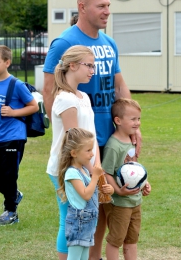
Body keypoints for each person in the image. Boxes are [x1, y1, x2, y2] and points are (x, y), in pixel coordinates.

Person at [43, 1, 142, 259]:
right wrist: (84, 165)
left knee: (93, 212)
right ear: (82, 6)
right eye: (101, 5)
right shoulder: (64, 45)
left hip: (99, 150)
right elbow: (70, 135)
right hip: (77, 160)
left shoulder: (83, 93)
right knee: (72, 218)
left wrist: (132, 128)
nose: (107, 10)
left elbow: (120, 88)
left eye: (109, 4)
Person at [45, 45, 113, 260]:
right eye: (89, 65)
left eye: (94, 66)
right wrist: (92, 171)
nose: (93, 70)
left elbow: (90, 137)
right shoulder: (66, 99)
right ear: (72, 66)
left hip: (87, 167)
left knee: (83, 217)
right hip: (68, 169)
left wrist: (98, 170)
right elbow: (75, 144)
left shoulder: (83, 96)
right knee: (70, 218)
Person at [0, 45, 39, 225]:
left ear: (7, 62)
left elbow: (33, 106)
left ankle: (10, 212)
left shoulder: (17, 84)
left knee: (9, 174)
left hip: (13, 136)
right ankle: (14, 194)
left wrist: (13, 113)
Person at [101, 98, 151, 260]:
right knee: (115, 241)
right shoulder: (113, 146)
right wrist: (118, 191)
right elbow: (106, 173)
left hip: (135, 202)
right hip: (119, 204)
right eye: (133, 119)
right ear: (118, 120)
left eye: (139, 119)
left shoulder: (131, 140)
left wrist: (144, 182)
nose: (137, 123)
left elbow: (133, 168)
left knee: (132, 241)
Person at [57, 128, 104, 260]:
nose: (92, 154)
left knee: (84, 257)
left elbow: (91, 191)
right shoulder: (72, 173)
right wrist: (95, 177)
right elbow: (85, 195)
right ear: (74, 153)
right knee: (74, 257)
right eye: (88, 150)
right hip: (78, 223)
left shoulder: (83, 169)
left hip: (88, 222)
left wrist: (106, 190)